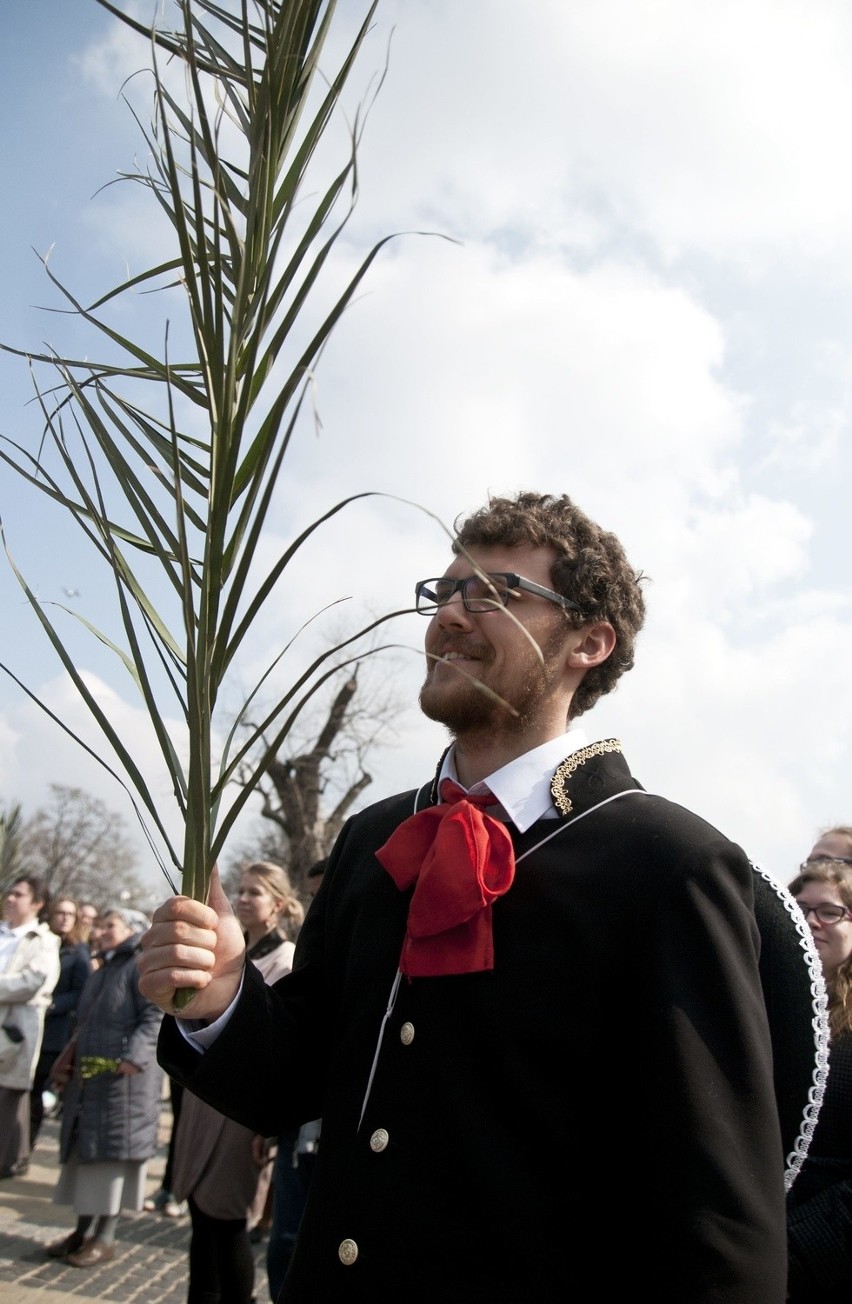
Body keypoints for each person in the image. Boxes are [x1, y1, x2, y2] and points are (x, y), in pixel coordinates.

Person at [139, 490, 823, 1304]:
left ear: (589, 643)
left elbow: (718, 1225)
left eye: (495, 593)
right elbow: (294, 1084)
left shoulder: (671, 865)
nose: (451, 617)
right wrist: (220, 999)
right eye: (445, 591)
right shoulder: (372, 837)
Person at [169, 861, 304, 1304]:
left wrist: (264, 1129)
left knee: (226, 1220)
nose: (243, 898)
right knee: (200, 1217)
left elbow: (276, 1049)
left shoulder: (284, 961)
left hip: (238, 1116)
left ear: (279, 906)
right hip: (204, 1102)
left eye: (255, 893)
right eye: (240, 890)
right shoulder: (231, 951)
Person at [46, 905, 163, 1268]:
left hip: (123, 1084)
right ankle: (82, 1231)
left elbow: (156, 1014)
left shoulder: (140, 964)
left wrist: (135, 1056)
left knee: (110, 1159)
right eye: (101, 924)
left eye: (110, 924)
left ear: (132, 929)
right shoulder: (104, 968)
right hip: (91, 1082)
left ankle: (106, 1237)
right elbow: (87, 1021)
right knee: (86, 1156)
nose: (102, 930)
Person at [786, 829, 852, 1303]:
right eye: (802, 908)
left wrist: (789, 1252)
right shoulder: (767, 995)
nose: (813, 922)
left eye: (829, 912)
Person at [0, 874, 60, 1179]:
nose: (11, 899)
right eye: (10, 893)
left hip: (13, 1034)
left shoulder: (44, 942)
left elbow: (33, 981)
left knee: (7, 1103)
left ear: (37, 903)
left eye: (19, 895)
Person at [28, 895, 92, 1157]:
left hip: (55, 1031)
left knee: (37, 1095)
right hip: (27, 1026)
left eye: (70, 914)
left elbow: (81, 991)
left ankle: (25, 1148)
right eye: (60, 913)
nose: (65, 918)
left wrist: (52, 1004)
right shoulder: (40, 944)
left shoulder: (78, 953)